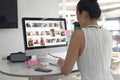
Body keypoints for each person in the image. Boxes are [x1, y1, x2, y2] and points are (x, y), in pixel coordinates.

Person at [57, 0, 114, 80]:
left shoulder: (78, 35)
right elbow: (93, 61)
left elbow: (66, 71)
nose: (76, 17)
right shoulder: (108, 33)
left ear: (83, 13)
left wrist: (63, 65)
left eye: (77, 13)